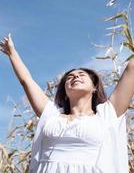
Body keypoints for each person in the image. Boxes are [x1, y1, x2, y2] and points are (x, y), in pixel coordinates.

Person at [0, 34, 134, 173]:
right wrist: (12, 53)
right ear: (64, 90)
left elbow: (132, 68)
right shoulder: (51, 114)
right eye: (70, 77)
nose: (75, 76)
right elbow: (26, 80)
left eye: (82, 75)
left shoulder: (107, 114)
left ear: (94, 87)